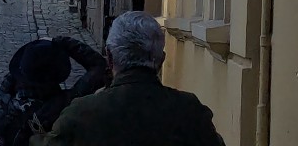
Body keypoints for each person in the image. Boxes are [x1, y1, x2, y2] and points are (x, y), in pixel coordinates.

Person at [29, 11, 225, 146]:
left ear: (110, 57)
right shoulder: (190, 111)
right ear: (161, 60)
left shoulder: (81, 114)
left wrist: (34, 133)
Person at [0, 35, 109, 146]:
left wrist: (27, 60)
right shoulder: (63, 105)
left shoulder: (0, 110)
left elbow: (9, 81)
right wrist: (62, 42)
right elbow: (98, 66)